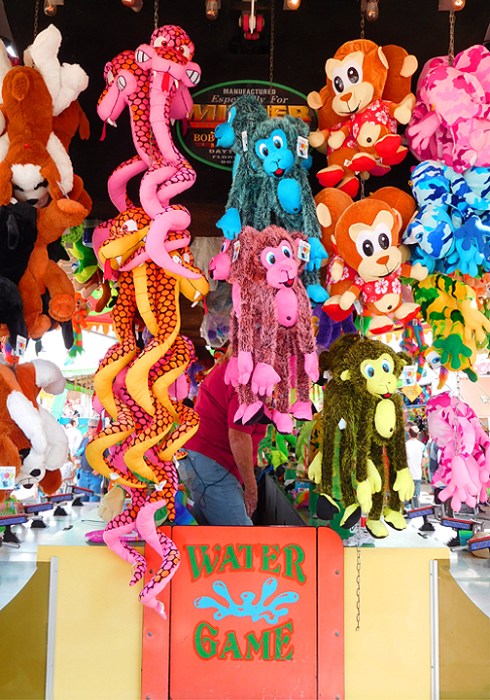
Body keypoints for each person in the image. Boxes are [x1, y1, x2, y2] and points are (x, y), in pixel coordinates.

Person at [177, 354, 266, 526]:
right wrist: (251, 488)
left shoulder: (236, 366)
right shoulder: (246, 374)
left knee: (211, 535)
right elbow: (239, 436)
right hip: (212, 462)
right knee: (240, 536)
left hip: (202, 461)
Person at [75, 421, 103, 501]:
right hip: (83, 473)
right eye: (89, 426)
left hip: (94, 475)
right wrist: (76, 460)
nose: (89, 428)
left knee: (93, 501)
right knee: (82, 500)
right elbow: (78, 453)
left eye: (92, 427)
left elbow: (108, 457)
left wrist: (100, 469)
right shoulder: (85, 440)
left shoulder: (101, 441)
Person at [405, 425, 426, 509]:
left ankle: (408, 508)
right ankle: (416, 509)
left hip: (407, 474)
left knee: (407, 494)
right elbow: (424, 460)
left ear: (409, 434)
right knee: (416, 495)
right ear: (418, 435)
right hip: (417, 474)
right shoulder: (422, 446)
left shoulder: (405, 445)